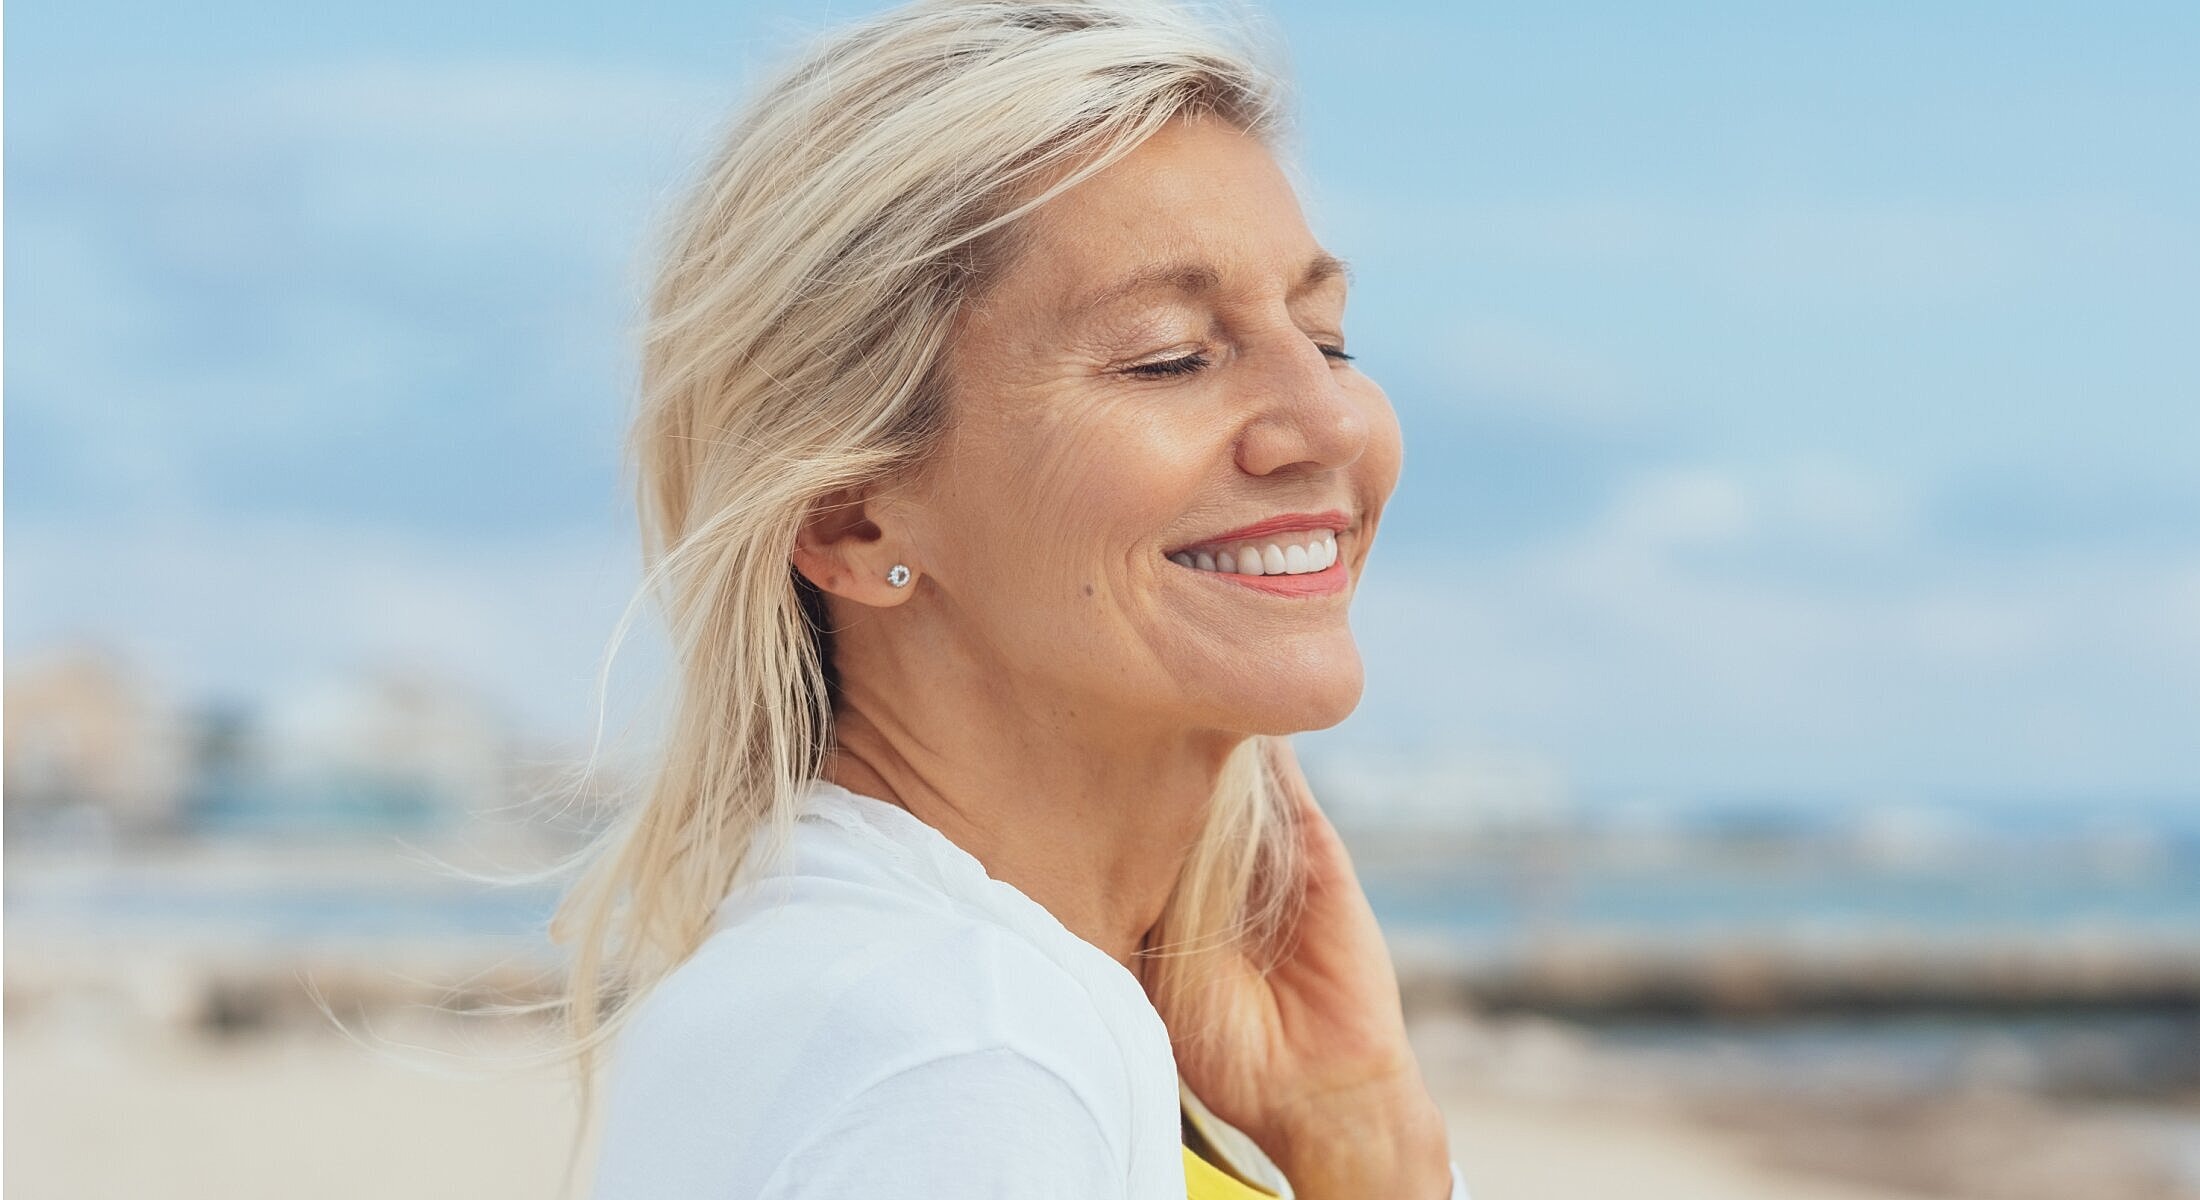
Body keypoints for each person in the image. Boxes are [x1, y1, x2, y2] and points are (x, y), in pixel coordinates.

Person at [557, 2, 1470, 1196]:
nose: (1334, 417)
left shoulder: (898, 993)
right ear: (848, 517)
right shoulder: (967, 1051)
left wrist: (1356, 1136)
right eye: (1168, 357)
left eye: (1327, 338)